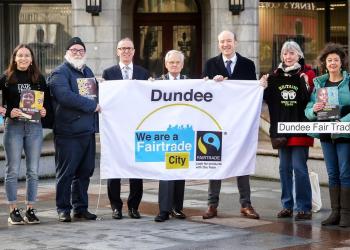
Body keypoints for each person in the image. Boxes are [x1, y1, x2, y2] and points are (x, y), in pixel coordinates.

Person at [202, 30, 260, 220]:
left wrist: (261, 87)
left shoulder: (248, 64)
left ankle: (246, 204)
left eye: (229, 41)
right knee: (213, 159)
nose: (225, 44)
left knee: (241, 161)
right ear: (218, 44)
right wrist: (212, 83)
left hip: (240, 122)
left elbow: (252, 92)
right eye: (222, 42)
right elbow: (203, 92)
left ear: (236, 42)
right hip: (215, 122)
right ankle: (212, 205)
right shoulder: (210, 64)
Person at [48, 37, 100, 222]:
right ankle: (63, 209)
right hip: (68, 133)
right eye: (74, 50)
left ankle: (80, 208)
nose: (78, 53)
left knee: (85, 172)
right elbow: (65, 96)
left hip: (87, 131)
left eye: (81, 50)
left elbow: (95, 94)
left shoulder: (87, 71)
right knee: (66, 173)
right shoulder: (59, 73)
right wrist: (91, 106)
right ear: (67, 52)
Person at [264, 40, 315, 221]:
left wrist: (307, 84)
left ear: (299, 55)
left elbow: (310, 98)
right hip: (281, 128)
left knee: (299, 168)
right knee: (284, 168)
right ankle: (287, 205)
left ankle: (304, 207)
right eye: (285, 54)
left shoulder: (307, 73)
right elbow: (267, 99)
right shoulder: (275, 75)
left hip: (300, 128)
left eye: (292, 53)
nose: (288, 56)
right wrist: (263, 86)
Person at [0, 44, 49, 225]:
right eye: (20, 55)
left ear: (31, 59)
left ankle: (30, 209)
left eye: (26, 55)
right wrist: (6, 112)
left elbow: (47, 104)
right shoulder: (6, 78)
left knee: (33, 171)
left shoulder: (38, 78)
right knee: (12, 170)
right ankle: (13, 210)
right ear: (14, 58)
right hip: (13, 126)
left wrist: (44, 111)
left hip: (34, 127)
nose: (23, 58)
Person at [102, 37, 149, 220]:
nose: (126, 52)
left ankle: (134, 207)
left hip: (137, 127)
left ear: (134, 51)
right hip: (115, 129)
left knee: (136, 168)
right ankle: (116, 206)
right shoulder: (108, 73)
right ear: (117, 51)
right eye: (123, 48)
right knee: (114, 168)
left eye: (129, 48)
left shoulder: (143, 73)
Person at [305, 43, 350, 227]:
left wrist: (343, 123)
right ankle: (335, 212)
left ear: (342, 63)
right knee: (332, 173)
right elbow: (308, 109)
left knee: (345, 172)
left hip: (344, 133)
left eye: (336, 60)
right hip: (325, 132)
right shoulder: (319, 84)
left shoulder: (349, 82)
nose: (332, 63)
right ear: (325, 63)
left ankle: (347, 214)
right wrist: (314, 110)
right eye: (329, 60)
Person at [154, 50, 188, 222]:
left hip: (183, 133)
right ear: (166, 65)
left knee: (179, 168)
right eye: (171, 62)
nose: (174, 65)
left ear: (182, 65)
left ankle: (177, 208)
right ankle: (164, 210)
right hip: (164, 134)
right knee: (166, 171)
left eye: (177, 62)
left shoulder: (191, 83)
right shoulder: (156, 83)